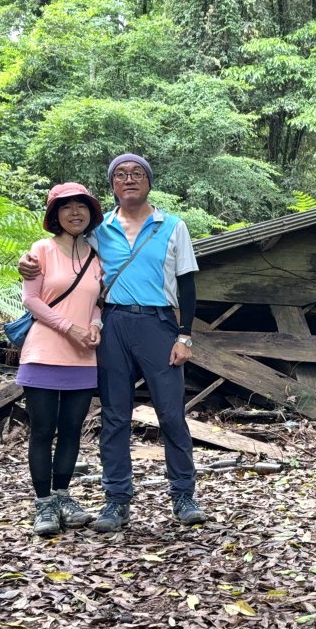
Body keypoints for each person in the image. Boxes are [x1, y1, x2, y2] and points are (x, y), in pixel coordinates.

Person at [21, 153, 207, 532]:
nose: (129, 179)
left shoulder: (173, 226)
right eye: (120, 174)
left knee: (171, 413)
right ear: (112, 186)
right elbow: (62, 253)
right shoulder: (98, 230)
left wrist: (185, 335)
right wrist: (25, 263)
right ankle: (116, 499)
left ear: (149, 181)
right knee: (115, 415)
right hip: (113, 323)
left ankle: (183, 495)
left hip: (159, 323)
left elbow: (187, 284)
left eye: (137, 173)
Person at [19, 183, 104, 536]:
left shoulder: (95, 256)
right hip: (43, 353)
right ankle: (44, 504)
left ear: (90, 213)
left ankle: (63, 496)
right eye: (66, 207)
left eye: (81, 206)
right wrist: (71, 328)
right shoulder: (41, 250)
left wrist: (95, 324)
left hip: (83, 357)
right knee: (42, 430)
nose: (74, 212)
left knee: (71, 430)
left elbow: (96, 302)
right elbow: (31, 300)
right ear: (55, 215)